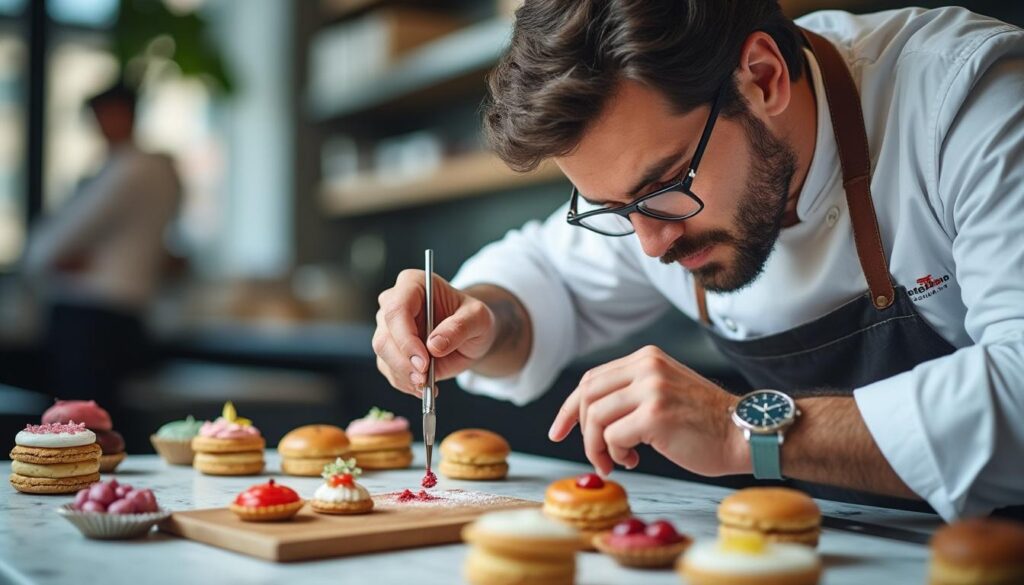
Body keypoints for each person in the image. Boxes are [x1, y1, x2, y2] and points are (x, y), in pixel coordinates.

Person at [373, 1, 1024, 521]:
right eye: (612, 209)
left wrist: (743, 428)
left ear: (763, 77)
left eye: (663, 189)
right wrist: (478, 319)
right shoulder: (652, 187)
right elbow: (546, 280)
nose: (650, 244)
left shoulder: (970, 101)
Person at [24, 82, 181, 408]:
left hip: (94, 317)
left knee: (81, 426)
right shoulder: (136, 169)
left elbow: (52, 245)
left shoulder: (134, 169)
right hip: (113, 314)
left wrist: (51, 257)